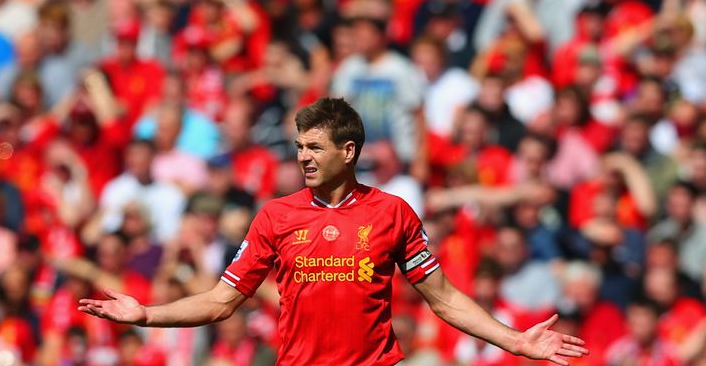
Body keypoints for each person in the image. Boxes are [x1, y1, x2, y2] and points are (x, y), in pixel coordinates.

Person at [79, 97, 589, 366]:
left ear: (348, 152)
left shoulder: (393, 213)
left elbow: (444, 300)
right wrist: (146, 314)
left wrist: (515, 342)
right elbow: (220, 301)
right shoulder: (275, 216)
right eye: (300, 146)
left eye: (315, 147)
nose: (302, 156)